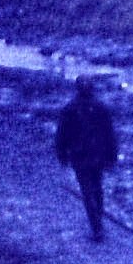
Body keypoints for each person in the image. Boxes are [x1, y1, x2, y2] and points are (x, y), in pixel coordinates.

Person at [55, 75, 119, 242]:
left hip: (79, 156)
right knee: (97, 188)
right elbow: (110, 134)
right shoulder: (101, 108)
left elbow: (62, 135)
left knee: (87, 190)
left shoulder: (69, 109)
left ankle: (97, 226)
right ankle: (98, 220)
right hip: (98, 155)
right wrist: (112, 156)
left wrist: (62, 155)